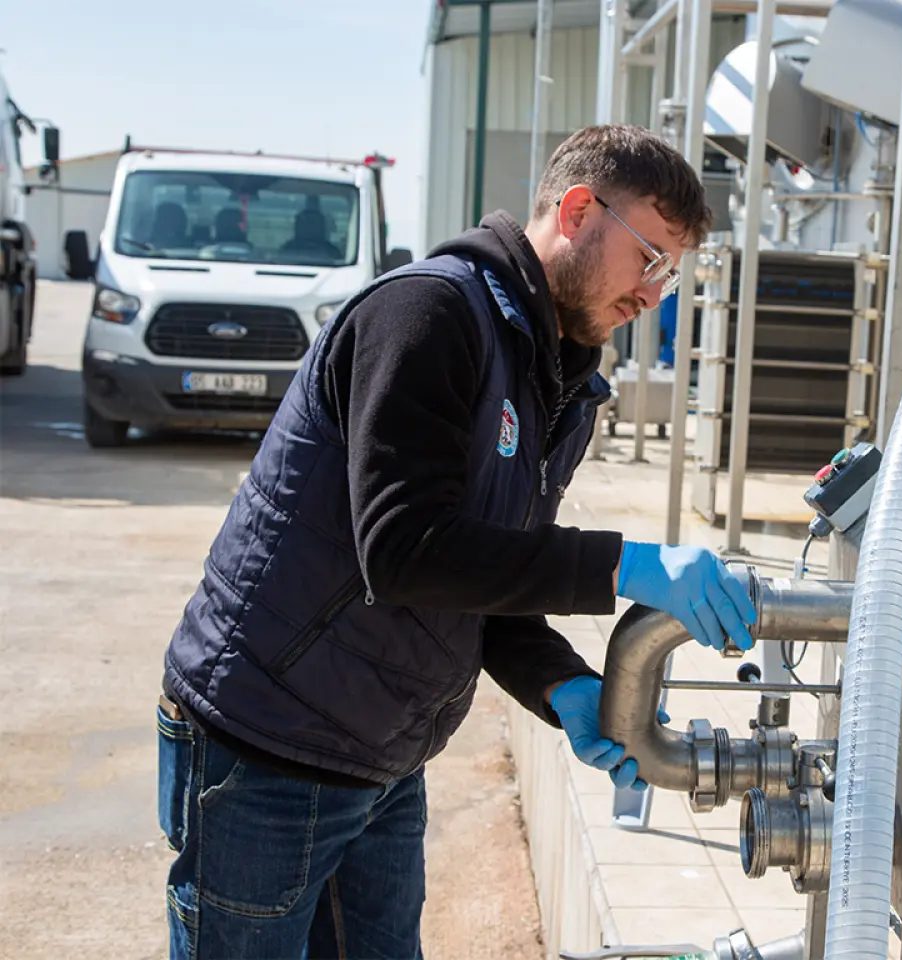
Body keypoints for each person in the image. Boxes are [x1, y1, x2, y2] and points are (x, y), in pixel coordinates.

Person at [155, 124, 757, 960]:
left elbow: (487, 579)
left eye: (672, 272)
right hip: (266, 746)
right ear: (579, 211)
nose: (656, 292)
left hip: (382, 758)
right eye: (649, 258)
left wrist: (564, 689)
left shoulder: (557, 375)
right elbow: (405, 549)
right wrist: (626, 564)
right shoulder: (430, 314)